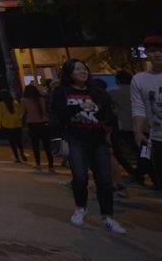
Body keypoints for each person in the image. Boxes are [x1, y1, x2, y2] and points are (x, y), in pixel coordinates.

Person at [50, 58, 126, 233]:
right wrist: (79, 107)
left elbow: (108, 115)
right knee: (80, 178)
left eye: (84, 69)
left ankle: (108, 217)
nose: (82, 72)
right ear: (69, 73)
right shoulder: (62, 91)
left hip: (97, 140)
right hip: (76, 139)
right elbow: (58, 113)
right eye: (77, 69)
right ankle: (80, 208)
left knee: (105, 181)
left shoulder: (96, 91)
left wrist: (99, 112)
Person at [130, 36, 162, 191]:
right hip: (157, 138)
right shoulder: (139, 79)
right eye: (152, 51)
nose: (157, 54)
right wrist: (138, 131)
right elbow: (138, 106)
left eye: (160, 50)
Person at [22, 84, 54, 172]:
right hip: (44, 123)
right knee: (47, 146)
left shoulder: (24, 100)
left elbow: (23, 112)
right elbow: (45, 111)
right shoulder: (41, 99)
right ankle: (51, 166)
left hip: (32, 124)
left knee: (35, 145)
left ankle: (38, 164)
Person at [0, 89, 26, 164]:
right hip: (17, 125)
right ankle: (22, 153)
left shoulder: (0, 105)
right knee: (19, 141)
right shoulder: (15, 102)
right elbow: (20, 113)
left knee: (12, 142)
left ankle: (17, 157)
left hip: (8, 126)